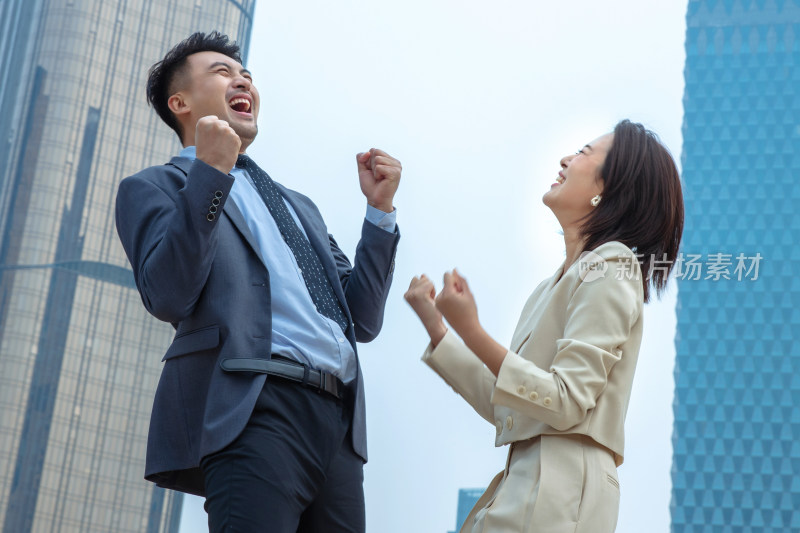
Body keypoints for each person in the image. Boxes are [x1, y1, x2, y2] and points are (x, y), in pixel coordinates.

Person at [115, 31, 401, 532]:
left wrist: (379, 213)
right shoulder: (156, 187)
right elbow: (169, 293)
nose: (241, 77)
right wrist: (210, 172)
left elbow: (362, 320)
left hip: (338, 423)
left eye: (244, 72)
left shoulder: (298, 206)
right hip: (253, 402)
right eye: (221, 72)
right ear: (179, 103)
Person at [404, 120, 683, 533]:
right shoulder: (550, 286)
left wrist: (472, 330)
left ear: (609, 187)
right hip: (532, 478)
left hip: (562, 485)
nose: (566, 158)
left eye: (585, 151)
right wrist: (441, 330)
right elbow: (510, 405)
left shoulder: (610, 265)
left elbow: (566, 400)